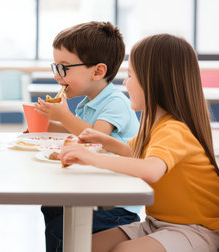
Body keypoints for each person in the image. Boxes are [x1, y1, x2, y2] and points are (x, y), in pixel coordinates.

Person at [60, 34, 219, 252]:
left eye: (131, 75)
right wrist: (104, 140)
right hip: (157, 224)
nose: (125, 82)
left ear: (154, 81)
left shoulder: (175, 129)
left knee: (124, 251)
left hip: (196, 230)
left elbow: (151, 170)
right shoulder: (156, 125)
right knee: (82, 246)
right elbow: (133, 152)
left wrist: (92, 158)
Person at [35, 21, 141, 252]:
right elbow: (79, 131)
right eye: (55, 67)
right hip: (94, 187)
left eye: (64, 68)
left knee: (61, 227)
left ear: (98, 71)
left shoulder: (116, 102)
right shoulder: (87, 103)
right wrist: (48, 126)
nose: (57, 75)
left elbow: (94, 137)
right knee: (52, 208)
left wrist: (63, 117)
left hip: (115, 206)